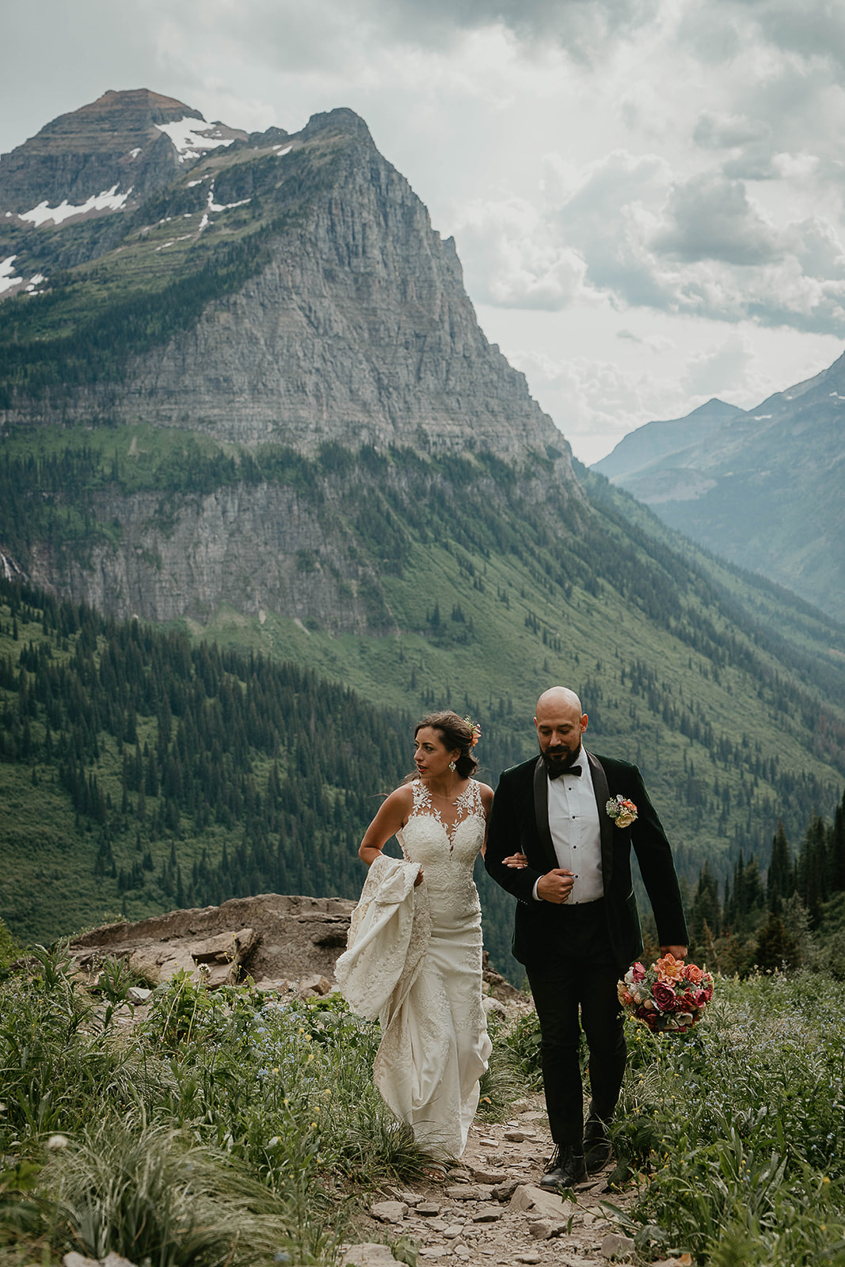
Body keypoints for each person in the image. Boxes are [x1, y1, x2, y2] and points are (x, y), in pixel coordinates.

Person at [485, 686, 688, 1188]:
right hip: (546, 936)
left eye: (563, 730)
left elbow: (654, 853)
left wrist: (674, 937)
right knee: (556, 1041)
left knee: (605, 1036)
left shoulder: (621, 777)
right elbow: (495, 857)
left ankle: (600, 1129)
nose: (553, 740)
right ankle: (568, 1152)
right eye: (544, 730)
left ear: (583, 724)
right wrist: (533, 884)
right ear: (535, 727)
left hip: (607, 930)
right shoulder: (513, 783)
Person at [336, 711, 495, 1159]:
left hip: (465, 930)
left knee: (465, 1042)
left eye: (429, 748)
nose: (417, 756)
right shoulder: (404, 799)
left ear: (456, 754)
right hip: (420, 931)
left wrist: (517, 862)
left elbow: (495, 851)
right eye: (417, 746)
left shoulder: (483, 798)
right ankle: (430, 1147)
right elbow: (369, 848)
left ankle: (439, 1127)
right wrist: (403, 872)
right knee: (436, 1037)